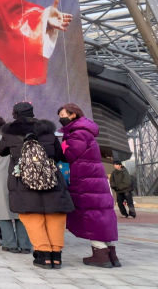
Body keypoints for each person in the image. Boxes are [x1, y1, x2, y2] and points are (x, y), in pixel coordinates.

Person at [0, 102, 74, 269]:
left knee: (32, 216)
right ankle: (56, 255)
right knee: (55, 215)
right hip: (51, 178)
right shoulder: (47, 130)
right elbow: (59, 155)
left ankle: (43, 254)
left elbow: (0, 150)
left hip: (24, 180)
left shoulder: (10, 132)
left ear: (15, 114)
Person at [58, 103, 120, 268]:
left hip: (85, 181)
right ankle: (111, 254)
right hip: (93, 180)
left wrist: (61, 146)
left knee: (91, 215)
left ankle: (100, 254)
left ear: (73, 115)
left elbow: (70, 154)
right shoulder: (85, 132)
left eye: (62, 114)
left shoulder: (78, 133)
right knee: (100, 215)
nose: (60, 118)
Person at [0, 115, 31, 253]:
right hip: (16, 175)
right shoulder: (13, 136)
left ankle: (10, 243)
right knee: (20, 211)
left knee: (1, 211)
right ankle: (25, 244)